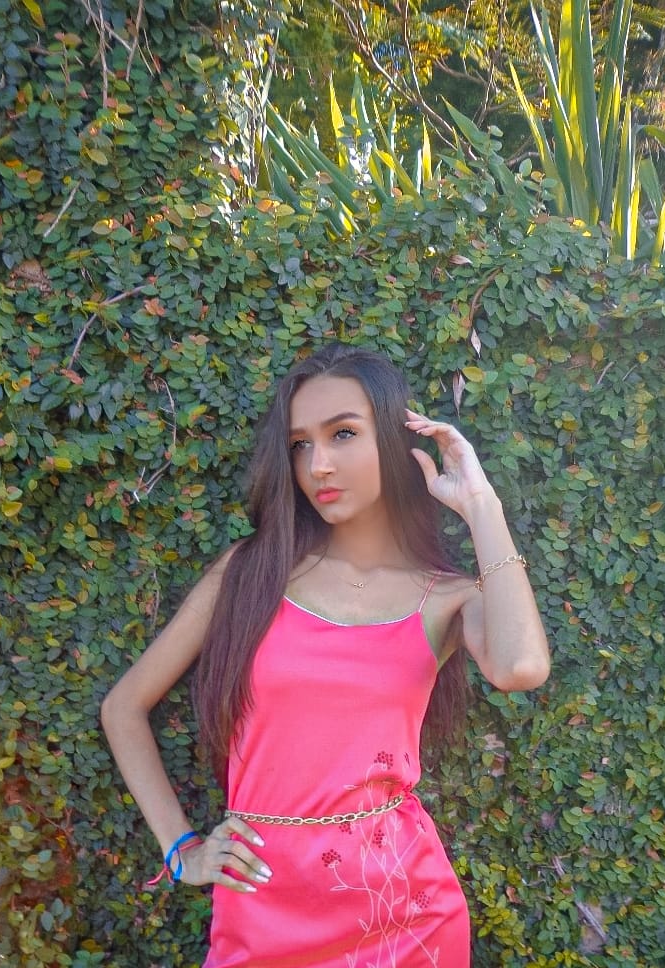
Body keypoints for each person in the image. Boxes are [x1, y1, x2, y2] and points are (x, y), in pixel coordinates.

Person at [101, 343, 550, 967]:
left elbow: (520, 667)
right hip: (260, 911)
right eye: (299, 445)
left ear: (393, 441)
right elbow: (124, 707)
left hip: (404, 916)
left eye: (343, 434)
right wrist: (183, 850)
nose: (318, 464)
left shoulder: (446, 598)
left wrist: (481, 505)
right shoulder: (251, 574)